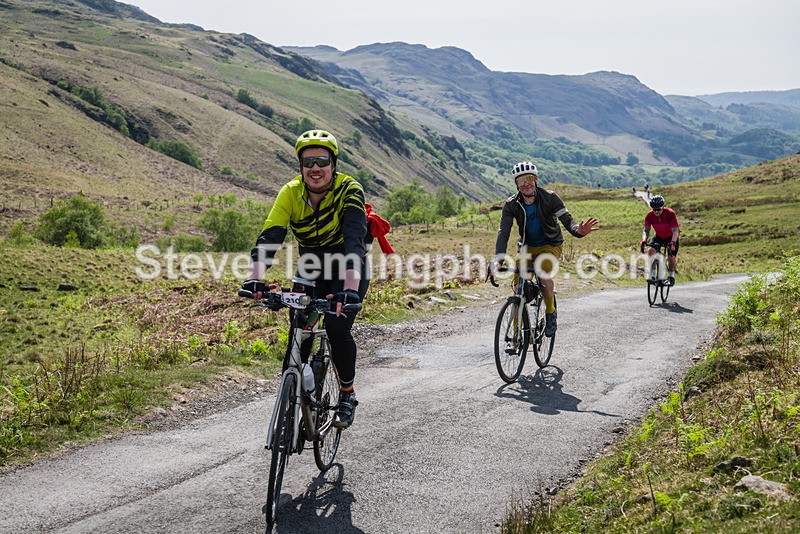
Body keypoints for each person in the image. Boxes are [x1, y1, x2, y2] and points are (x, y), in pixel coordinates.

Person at [241, 129, 369, 429]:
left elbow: (354, 242)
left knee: (337, 329)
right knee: (299, 331)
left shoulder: (350, 190)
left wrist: (349, 291)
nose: (315, 168)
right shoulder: (290, 192)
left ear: (333, 164)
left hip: (347, 268)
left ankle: (347, 395)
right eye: (308, 161)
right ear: (300, 166)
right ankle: (294, 399)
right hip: (311, 267)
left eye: (322, 160)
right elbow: (270, 237)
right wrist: (255, 280)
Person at [490, 161, 599, 337]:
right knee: (518, 287)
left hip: (551, 244)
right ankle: (517, 334)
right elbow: (504, 232)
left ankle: (550, 312)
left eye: (529, 178)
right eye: (520, 180)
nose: (525, 183)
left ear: (536, 179)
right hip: (526, 248)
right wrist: (498, 260)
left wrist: (578, 230)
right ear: (516, 184)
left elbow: (567, 219)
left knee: (542, 272)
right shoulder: (511, 204)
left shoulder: (550, 198)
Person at [640, 194, 679, 286]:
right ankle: (652, 276)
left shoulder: (670, 214)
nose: (656, 211)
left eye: (659, 209)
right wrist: (644, 240)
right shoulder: (649, 215)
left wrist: (673, 242)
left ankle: (671, 276)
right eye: (654, 209)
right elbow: (646, 230)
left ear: (663, 207)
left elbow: (675, 231)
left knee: (671, 256)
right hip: (658, 236)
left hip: (671, 236)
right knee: (650, 252)